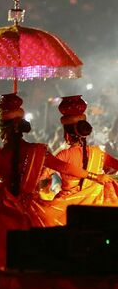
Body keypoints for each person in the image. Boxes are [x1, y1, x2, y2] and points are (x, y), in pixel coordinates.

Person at [0, 93, 111, 230]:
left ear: (3, 131)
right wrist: (94, 176)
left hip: (1, 210)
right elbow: (64, 168)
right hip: (31, 211)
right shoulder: (38, 151)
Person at [40, 95, 118, 225]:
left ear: (65, 134)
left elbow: (41, 176)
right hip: (96, 210)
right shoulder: (99, 153)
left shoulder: (63, 155)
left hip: (66, 211)